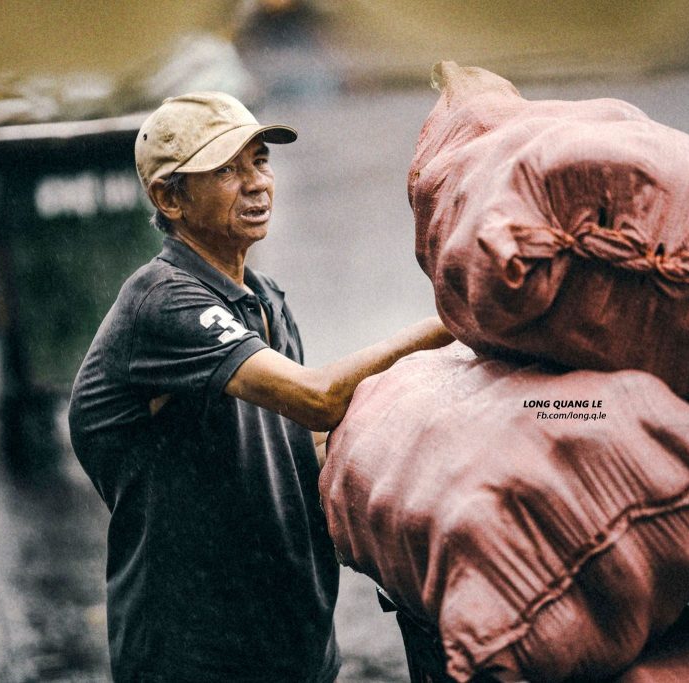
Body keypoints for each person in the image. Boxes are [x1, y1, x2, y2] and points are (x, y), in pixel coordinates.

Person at [68, 91, 452, 683]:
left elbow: (308, 443)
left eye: (260, 161)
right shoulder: (161, 301)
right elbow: (316, 397)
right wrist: (448, 326)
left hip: (295, 646)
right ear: (169, 198)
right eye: (226, 170)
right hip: (196, 657)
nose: (256, 184)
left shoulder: (266, 300)